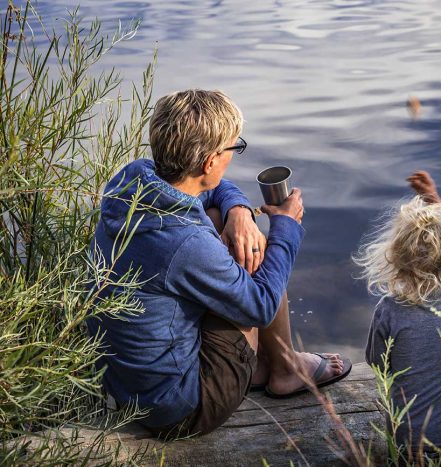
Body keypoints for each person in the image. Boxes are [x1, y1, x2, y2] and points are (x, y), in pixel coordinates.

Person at [87, 89, 351, 438]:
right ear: (209, 161)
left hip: (128, 387)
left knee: (222, 220)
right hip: (179, 409)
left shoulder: (136, 177)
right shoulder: (185, 241)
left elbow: (214, 189)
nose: (233, 156)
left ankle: (259, 369)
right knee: (252, 259)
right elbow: (259, 306)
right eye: (233, 147)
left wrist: (238, 211)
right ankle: (286, 367)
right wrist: (285, 229)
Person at [356, 171, 441, 460]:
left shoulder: (390, 309)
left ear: (396, 256)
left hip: (409, 440)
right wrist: (432, 198)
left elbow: (376, 361)